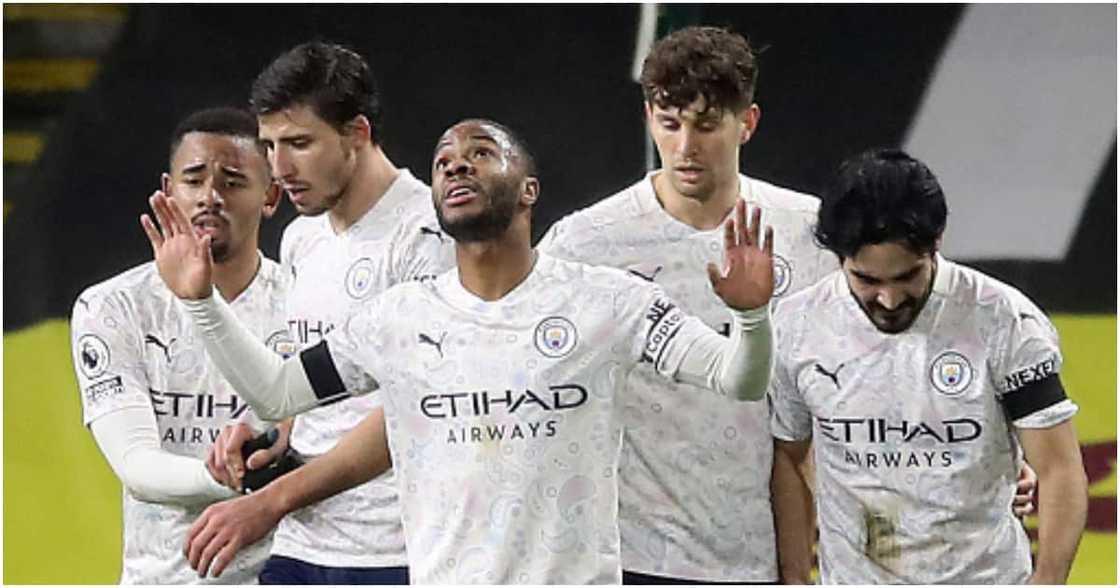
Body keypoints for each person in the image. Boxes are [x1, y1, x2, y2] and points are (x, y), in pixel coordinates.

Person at [144, 118, 777, 584]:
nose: (456, 165)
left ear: (529, 190)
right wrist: (201, 303)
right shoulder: (397, 319)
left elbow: (738, 380)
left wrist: (750, 318)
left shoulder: (607, 301)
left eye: (481, 152)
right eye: (444, 159)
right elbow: (277, 393)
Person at [538, 25, 834, 584]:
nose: (684, 147)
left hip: (751, 552)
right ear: (649, 117)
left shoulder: (810, 234)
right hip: (628, 558)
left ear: (747, 123)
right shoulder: (584, 244)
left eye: (706, 125)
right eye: (669, 124)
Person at [769, 148, 1088, 584]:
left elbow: (1059, 469)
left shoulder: (1004, 320)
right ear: (839, 257)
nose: (889, 300)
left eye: (906, 277)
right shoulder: (798, 325)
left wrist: (1048, 582)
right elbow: (789, 455)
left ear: (936, 243)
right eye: (867, 280)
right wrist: (794, 577)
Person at [205, 41, 454, 585]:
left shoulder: (426, 238)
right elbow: (309, 375)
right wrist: (264, 429)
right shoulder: (301, 237)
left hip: (394, 553)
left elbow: (413, 412)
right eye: (269, 145)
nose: (279, 168)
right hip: (304, 544)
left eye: (299, 143)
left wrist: (272, 502)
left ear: (358, 133)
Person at [70, 107, 287, 584]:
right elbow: (136, 465)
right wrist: (230, 478)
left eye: (233, 181)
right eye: (193, 180)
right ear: (168, 190)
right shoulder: (112, 307)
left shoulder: (305, 300)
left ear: (271, 195)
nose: (210, 196)